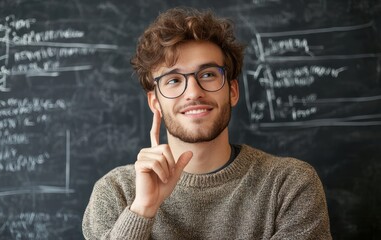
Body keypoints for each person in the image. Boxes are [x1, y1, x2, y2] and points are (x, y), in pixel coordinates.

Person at [82, 7, 332, 239]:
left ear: (232, 91)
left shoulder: (289, 185)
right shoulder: (115, 192)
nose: (193, 92)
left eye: (208, 75)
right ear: (155, 102)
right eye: (173, 80)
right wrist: (142, 209)